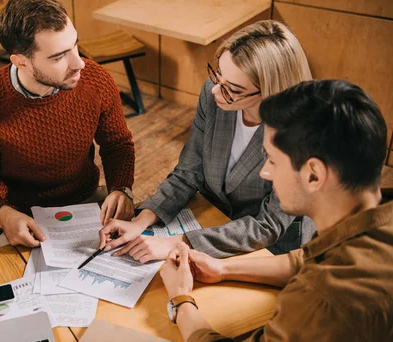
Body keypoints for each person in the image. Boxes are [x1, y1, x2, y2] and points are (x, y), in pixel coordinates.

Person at [161, 80, 393, 342]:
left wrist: (181, 299)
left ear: (313, 175)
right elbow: (306, 259)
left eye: (271, 160)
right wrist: (224, 269)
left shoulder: (327, 299)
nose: (264, 173)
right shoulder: (371, 222)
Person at [99, 20, 315, 262]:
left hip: (270, 247)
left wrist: (179, 243)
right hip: (211, 217)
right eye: (218, 74)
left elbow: (268, 225)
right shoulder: (214, 94)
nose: (215, 90)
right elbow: (189, 171)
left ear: (270, 92)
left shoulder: (304, 130)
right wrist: (142, 219)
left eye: (232, 88)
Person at [0, 0, 136, 248]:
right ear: (21, 62)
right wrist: (4, 215)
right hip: (21, 215)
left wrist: (121, 188)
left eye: (74, 45)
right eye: (59, 56)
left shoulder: (97, 80)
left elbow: (117, 144)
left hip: (87, 200)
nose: (79, 63)